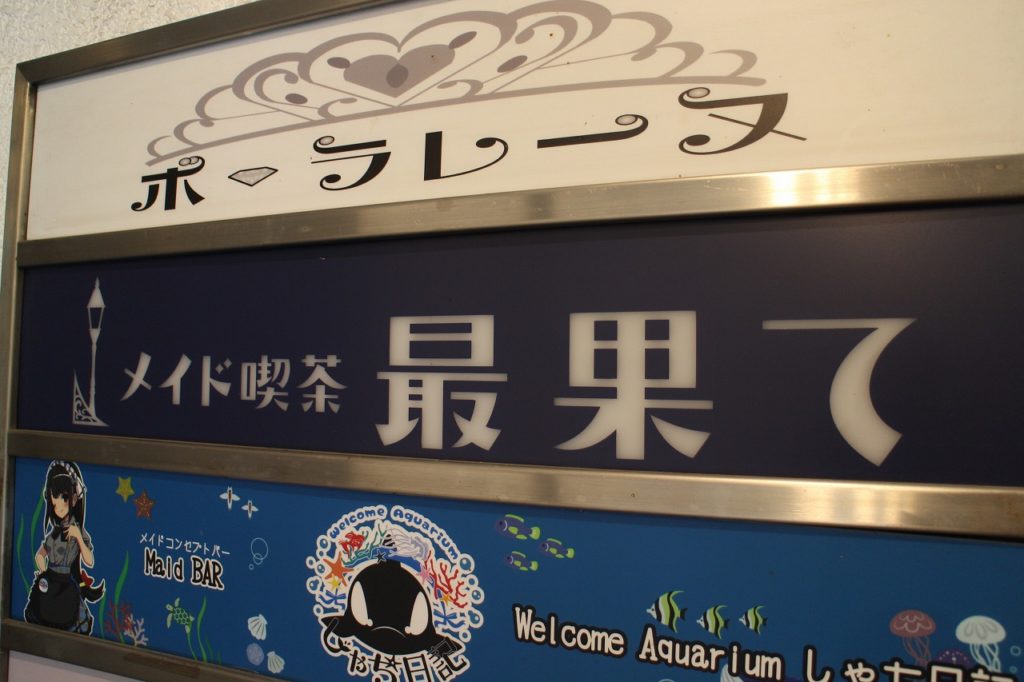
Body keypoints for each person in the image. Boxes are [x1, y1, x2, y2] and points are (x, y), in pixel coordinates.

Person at [24, 460, 105, 633]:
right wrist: (42, 567)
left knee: (68, 616)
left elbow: (90, 561)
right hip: (49, 580)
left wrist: (78, 537)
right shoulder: (54, 533)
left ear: (74, 499)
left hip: (66, 584)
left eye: (64, 499)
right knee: (43, 614)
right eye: (54, 504)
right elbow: (40, 554)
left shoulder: (78, 531)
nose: (59, 508)